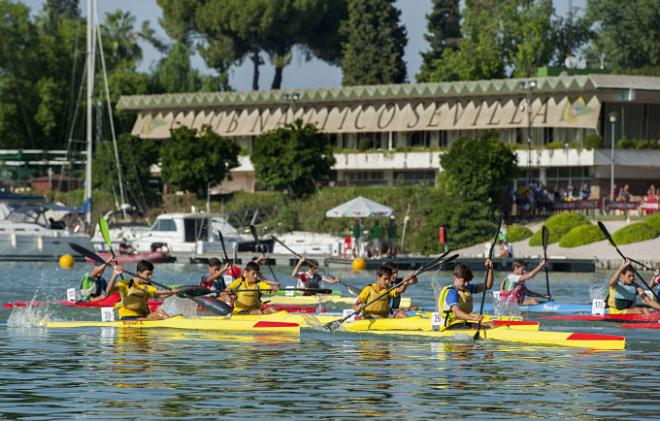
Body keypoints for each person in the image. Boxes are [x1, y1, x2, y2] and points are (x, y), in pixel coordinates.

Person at [106, 260, 174, 320]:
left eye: (151, 274)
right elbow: (109, 291)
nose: (150, 277)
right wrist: (115, 275)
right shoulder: (127, 283)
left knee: (161, 313)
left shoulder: (148, 286)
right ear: (139, 273)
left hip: (142, 317)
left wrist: (173, 292)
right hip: (127, 317)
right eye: (148, 274)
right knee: (160, 314)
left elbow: (161, 294)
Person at [437, 260, 495, 329]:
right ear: (455, 278)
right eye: (464, 281)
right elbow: (457, 313)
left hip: (461, 323)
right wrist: (474, 318)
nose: (466, 284)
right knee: (488, 326)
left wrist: (490, 269)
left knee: (491, 323)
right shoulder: (452, 293)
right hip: (451, 325)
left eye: (468, 281)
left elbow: (487, 286)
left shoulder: (467, 288)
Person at [352, 265, 417, 319]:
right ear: (378, 277)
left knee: (401, 314)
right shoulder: (368, 289)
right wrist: (357, 308)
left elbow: (400, 290)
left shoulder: (388, 289)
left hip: (384, 318)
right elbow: (355, 304)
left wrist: (405, 283)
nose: (387, 282)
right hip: (369, 318)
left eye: (388, 279)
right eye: (385, 279)